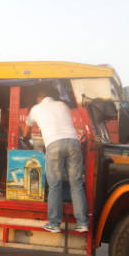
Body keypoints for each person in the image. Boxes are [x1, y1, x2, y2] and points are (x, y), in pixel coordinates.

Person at [23, 88, 88, 233]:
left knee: (55, 185)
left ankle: (54, 223)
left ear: (39, 98)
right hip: (73, 142)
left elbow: (25, 133)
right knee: (76, 184)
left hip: (54, 144)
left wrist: (26, 139)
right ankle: (82, 223)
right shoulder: (63, 105)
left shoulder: (36, 109)